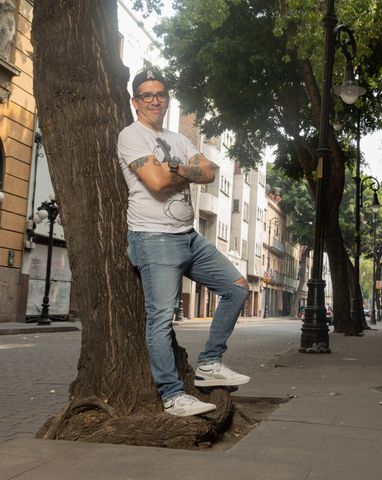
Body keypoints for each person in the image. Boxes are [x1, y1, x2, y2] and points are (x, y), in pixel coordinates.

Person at [118, 68, 251, 417]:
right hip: (153, 237)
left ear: (167, 99)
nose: (154, 100)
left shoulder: (178, 138)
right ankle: (172, 395)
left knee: (237, 287)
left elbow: (209, 172)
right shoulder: (131, 137)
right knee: (161, 319)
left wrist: (172, 168)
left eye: (160, 94)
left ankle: (209, 363)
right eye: (146, 95)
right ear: (135, 102)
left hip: (189, 237)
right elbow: (157, 181)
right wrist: (181, 170)